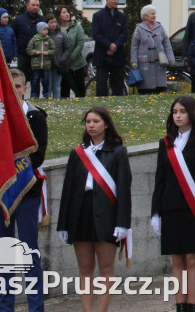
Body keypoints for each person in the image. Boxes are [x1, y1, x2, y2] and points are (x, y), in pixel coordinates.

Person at [57, 106, 132, 312]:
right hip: (81, 214)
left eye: (96, 121)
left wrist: (123, 222)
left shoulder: (118, 151)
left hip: (107, 215)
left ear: (106, 124)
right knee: (85, 269)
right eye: (88, 121)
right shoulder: (77, 153)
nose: (91, 125)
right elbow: (68, 190)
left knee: (106, 269)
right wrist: (63, 224)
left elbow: (124, 189)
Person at [0, 69, 48, 312]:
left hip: (27, 192)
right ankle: (5, 308)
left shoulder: (36, 117)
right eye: (10, 87)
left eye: (19, 86)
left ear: (25, 88)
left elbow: (39, 156)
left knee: (29, 251)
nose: (16, 90)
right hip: (1, 191)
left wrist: (6, 164)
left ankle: (35, 308)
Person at [151, 96, 195, 312]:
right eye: (175, 112)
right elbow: (160, 179)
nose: (178, 116)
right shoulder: (166, 143)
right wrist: (155, 213)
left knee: (191, 259)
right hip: (170, 208)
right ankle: (180, 305)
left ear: (192, 113)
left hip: (193, 209)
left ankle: (192, 306)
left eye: (182, 111)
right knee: (176, 260)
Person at [130, 4, 176, 95]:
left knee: (159, 88)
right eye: (152, 14)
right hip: (144, 62)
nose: (154, 16)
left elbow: (167, 44)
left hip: (159, 62)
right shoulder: (139, 29)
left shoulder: (160, 27)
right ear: (145, 16)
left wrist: (171, 58)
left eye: (154, 14)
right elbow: (134, 46)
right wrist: (134, 61)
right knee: (145, 88)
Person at [91, 0, 128, 96]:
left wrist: (115, 45)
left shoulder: (121, 16)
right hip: (102, 54)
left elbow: (124, 33)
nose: (116, 1)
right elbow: (96, 34)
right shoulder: (98, 16)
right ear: (107, 0)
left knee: (117, 83)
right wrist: (108, 45)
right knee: (101, 84)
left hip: (118, 54)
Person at [56, 6, 87, 98]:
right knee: (64, 88)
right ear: (58, 16)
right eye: (63, 12)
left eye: (67, 12)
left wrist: (71, 58)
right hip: (63, 64)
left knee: (80, 88)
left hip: (78, 63)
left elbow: (80, 43)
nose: (66, 14)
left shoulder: (77, 26)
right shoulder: (56, 28)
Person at [12, 0, 44, 82]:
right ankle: (20, 96)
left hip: (38, 56)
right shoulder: (18, 20)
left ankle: (35, 96)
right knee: (21, 80)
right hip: (23, 55)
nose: (35, 7)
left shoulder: (43, 20)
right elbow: (13, 37)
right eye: (33, 5)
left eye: (37, 5)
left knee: (36, 81)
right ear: (27, 6)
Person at [26, 20, 54, 99]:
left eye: (47, 29)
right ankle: (34, 95)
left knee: (46, 81)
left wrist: (48, 52)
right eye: (44, 29)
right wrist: (35, 52)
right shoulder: (34, 40)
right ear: (39, 30)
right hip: (36, 65)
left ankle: (46, 94)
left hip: (46, 65)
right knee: (35, 80)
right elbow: (29, 50)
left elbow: (53, 50)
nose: (46, 31)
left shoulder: (49, 40)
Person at [46, 15, 70, 99]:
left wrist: (62, 58)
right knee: (47, 87)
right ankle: (47, 101)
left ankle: (57, 101)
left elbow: (68, 48)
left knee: (56, 87)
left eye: (55, 22)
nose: (53, 24)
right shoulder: (43, 35)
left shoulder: (61, 35)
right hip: (47, 65)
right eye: (51, 22)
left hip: (58, 65)